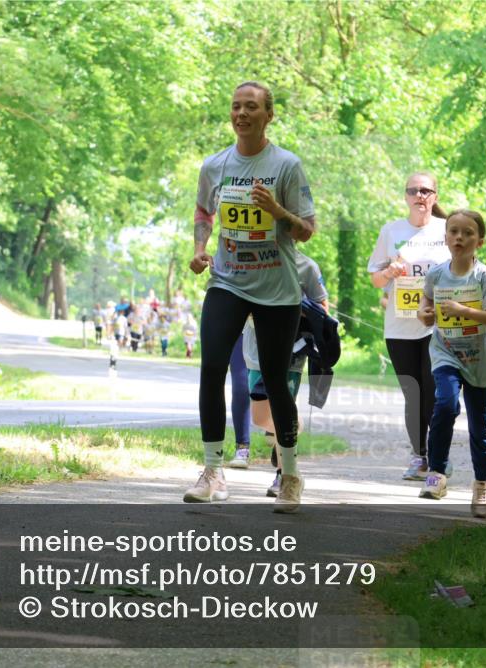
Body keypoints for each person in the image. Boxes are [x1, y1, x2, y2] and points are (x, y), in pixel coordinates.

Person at [186, 81, 316, 513]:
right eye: (236, 106)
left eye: (251, 107)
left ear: (268, 115)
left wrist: (277, 211)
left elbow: (307, 230)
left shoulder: (286, 166)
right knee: (211, 367)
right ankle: (212, 471)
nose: (241, 113)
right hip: (227, 280)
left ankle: (291, 475)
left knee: (276, 380)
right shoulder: (215, 165)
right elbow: (205, 211)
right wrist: (200, 248)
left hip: (277, 289)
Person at [417, 210, 486, 518]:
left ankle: (482, 484)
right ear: (445, 238)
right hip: (445, 352)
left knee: (479, 421)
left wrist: (463, 311)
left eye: (467, 233)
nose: (459, 237)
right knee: (444, 404)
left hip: (480, 358)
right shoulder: (436, 274)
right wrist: (425, 314)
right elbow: (424, 303)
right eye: (453, 231)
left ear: (479, 241)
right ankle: (436, 475)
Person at [367, 172, 451, 481]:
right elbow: (376, 278)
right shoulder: (391, 231)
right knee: (412, 393)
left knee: (433, 391)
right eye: (413, 190)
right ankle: (420, 456)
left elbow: (464, 270)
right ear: (405, 196)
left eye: (426, 190)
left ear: (435, 197)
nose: (420, 195)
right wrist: (389, 271)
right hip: (399, 327)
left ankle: (434, 451)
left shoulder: (446, 229)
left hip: (437, 326)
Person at [239, 251, 329, 495]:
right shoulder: (248, 258)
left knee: (282, 408)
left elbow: (322, 306)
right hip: (256, 348)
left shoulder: (307, 265)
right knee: (259, 417)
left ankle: (285, 475)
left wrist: (296, 312)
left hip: (292, 350)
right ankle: (290, 428)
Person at [225, 333, 252, 470]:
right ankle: (242, 447)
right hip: (241, 329)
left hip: (271, 323)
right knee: (241, 387)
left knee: (275, 387)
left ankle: (279, 440)